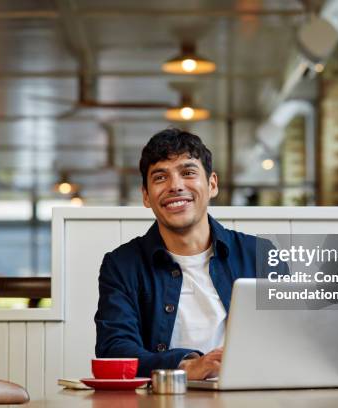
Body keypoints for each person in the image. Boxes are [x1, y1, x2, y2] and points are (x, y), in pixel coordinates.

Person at [95, 128, 280, 379]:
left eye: (188, 173)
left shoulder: (261, 254)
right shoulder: (121, 265)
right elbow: (115, 350)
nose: (175, 186)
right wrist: (187, 366)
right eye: (160, 178)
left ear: (212, 184)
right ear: (146, 196)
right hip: (163, 398)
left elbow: (287, 340)